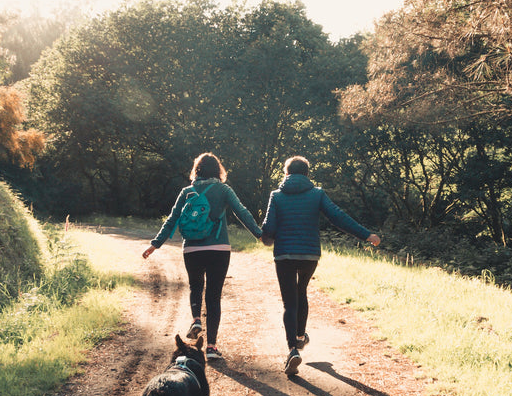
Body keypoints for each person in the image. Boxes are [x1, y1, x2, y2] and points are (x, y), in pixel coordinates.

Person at [260, 156, 381, 376]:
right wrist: (367, 235)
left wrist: (264, 233)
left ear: (286, 173)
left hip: (284, 254)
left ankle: (292, 350)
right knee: (301, 292)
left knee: (289, 302)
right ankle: (299, 336)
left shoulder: (276, 196)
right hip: (309, 254)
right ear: (307, 174)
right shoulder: (317, 194)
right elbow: (338, 217)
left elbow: (269, 227)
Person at [142, 152, 264, 363]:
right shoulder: (224, 190)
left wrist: (155, 244)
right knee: (214, 296)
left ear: (196, 170)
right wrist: (259, 234)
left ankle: (196, 319)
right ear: (218, 170)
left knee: (195, 286)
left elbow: (172, 219)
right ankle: (211, 346)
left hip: (192, 249)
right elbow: (241, 211)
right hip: (219, 248)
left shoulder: (187, 191)